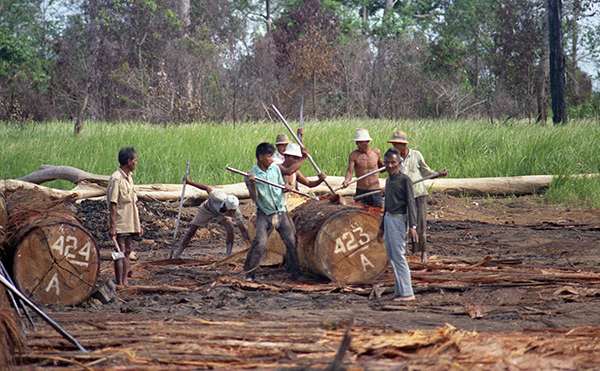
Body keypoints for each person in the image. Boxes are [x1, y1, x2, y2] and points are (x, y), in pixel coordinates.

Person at [388, 131, 447, 264]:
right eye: (394, 144)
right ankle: (403, 252)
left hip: (418, 194)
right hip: (402, 196)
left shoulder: (415, 155)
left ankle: (423, 253)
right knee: (403, 223)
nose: (395, 147)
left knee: (420, 225)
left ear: (404, 145)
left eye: (398, 144)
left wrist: (438, 174)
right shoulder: (395, 159)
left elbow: (426, 171)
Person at [244, 142, 300, 281]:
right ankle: (250, 273)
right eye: (269, 156)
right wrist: (252, 184)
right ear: (261, 157)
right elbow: (254, 197)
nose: (272, 159)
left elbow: (280, 186)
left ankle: (295, 272)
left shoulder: (275, 169)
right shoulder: (251, 175)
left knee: (291, 241)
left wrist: (285, 187)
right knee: (261, 242)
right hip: (264, 213)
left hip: (280, 212)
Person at [170, 175, 251, 259]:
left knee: (230, 229)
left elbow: (243, 230)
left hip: (221, 214)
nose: (231, 213)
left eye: (233, 211)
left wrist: (250, 245)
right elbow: (206, 188)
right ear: (225, 205)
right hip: (207, 209)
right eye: (230, 210)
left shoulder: (235, 212)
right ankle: (176, 255)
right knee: (191, 231)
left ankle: (228, 256)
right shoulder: (217, 196)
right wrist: (189, 182)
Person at [377, 148, 418, 302]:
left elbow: (410, 203)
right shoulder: (388, 181)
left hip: (398, 220)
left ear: (399, 163)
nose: (390, 165)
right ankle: (399, 291)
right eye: (387, 163)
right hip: (388, 219)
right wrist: (381, 227)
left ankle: (408, 293)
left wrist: (413, 226)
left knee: (399, 256)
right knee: (392, 257)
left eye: (393, 162)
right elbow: (386, 205)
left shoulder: (404, 180)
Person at [107, 147, 143, 286]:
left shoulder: (129, 178)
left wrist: (138, 224)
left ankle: (125, 281)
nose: (136, 163)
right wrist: (113, 225)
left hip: (130, 219)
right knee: (120, 251)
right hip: (120, 220)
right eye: (135, 160)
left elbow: (133, 203)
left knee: (127, 250)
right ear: (129, 162)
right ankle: (119, 282)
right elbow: (113, 204)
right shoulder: (116, 179)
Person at [342, 128, 384, 207]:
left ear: (367, 142)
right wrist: (346, 180)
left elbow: (382, 169)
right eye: (357, 143)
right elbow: (349, 171)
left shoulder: (376, 152)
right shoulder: (354, 155)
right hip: (361, 191)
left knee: (377, 213)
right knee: (359, 214)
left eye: (361, 143)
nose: (358, 145)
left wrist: (391, 164)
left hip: (374, 191)